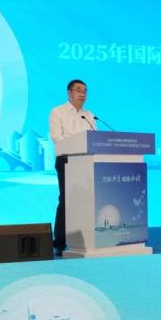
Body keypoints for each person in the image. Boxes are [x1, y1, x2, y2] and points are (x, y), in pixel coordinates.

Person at [49, 79, 95, 255]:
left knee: (86, 200)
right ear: (69, 92)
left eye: (85, 91)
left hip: (87, 161)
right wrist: (76, 148)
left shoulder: (89, 115)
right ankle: (60, 242)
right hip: (66, 160)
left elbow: (95, 138)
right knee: (67, 200)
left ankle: (85, 238)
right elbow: (57, 138)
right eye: (78, 90)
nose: (82, 94)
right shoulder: (58, 112)